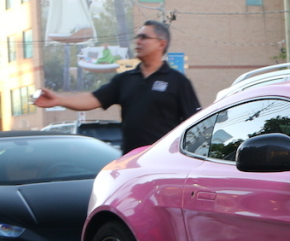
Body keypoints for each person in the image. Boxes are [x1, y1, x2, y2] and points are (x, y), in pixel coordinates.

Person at [33, 20, 200, 153]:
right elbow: (92, 99)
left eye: (144, 37)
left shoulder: (178, 82)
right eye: (137, 37)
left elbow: (195, 126)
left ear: (161, 44)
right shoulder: (125, 79)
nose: (138, 41)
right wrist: (58, 100)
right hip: (131, 163)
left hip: (164, 163)